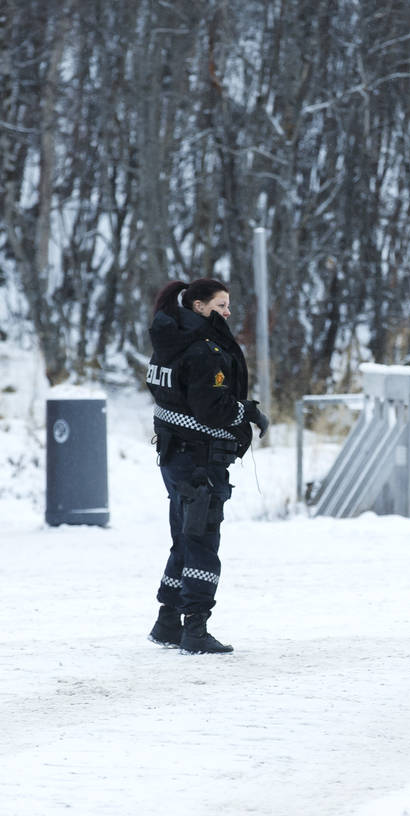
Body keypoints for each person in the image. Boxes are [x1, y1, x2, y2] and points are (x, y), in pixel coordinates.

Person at [145, 278, 269, 654]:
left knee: (184, 537)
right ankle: (194, 629)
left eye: (228, 305)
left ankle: (167, 621)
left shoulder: (169, 342)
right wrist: (245, 411)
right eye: (221, 306)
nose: (228, 313)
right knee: (201, 541)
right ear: (198, 306)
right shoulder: (204, 351)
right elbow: (211, 409)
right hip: (199, 461)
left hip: (173, 456)